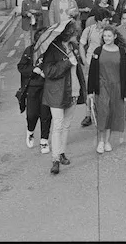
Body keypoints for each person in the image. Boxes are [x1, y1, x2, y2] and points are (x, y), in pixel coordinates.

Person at [40, 20, 87, 175]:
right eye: (75, 34)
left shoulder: (72, 47)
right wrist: (67, 63)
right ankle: (55, 160)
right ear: (69, 34)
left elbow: (78, 71)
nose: (77, 36)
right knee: (58, 125)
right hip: (57, 93)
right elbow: (49, 72)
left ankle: (61, 153)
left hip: (73, 90)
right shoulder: (52, 49)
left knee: (67, 125)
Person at [87, 25, 126, 153]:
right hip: (102, 86)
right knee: (103, 113)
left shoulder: (121, 51)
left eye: (109, 36)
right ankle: (100, 141)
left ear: (115, 37)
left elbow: (125, 72)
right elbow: (92, 72)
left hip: (117, 86)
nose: (107, 38)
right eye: (105, 36)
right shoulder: (98, 51)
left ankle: (107, 141)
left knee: (113, 114)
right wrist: (90, 91)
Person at [17, 30, 51, 154]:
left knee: (45, 115)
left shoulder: (50, 51)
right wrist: (34, 70)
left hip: (47, 87)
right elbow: (21, 67)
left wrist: (47, 72)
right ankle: (30, 132)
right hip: (32, 87)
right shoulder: (29, 51)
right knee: (32, 114)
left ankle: (44, 140)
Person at [79, 7, 114, 127]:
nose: (107, 23)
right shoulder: (88, 30)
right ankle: (88, 114)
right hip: (90, 63)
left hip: (105, 63)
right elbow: (82, 45)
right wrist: (84, 60)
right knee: (89, 89)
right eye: (105, 20)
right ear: (98, 20)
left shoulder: (110, 32)